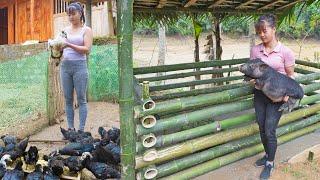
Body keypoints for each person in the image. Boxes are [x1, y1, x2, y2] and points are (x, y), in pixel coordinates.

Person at [250, 14, 295, 179]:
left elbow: (290, 77)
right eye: (258, 32)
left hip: (277, 97)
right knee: (261, 128)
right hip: (260, 95)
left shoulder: (285, 52)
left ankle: (270, 162)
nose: (261, 35)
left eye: (264, 30)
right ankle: (267, 154)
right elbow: (252, 70)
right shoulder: (255, 50)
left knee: (269, 130)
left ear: (274, 29)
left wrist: (287, 96)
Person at [60, 2, 93, 132]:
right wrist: (55, 46)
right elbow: (59, 45)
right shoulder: (64, 31)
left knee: (81, 99)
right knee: (68, 99)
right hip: (65, 67)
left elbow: (86, 49)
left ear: (80, 13)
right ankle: (71, 128)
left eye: (73, 13)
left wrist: (69, 45)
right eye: (69, 14)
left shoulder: (86, 30)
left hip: (80, 67)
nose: (71, 17)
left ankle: (81, 129)